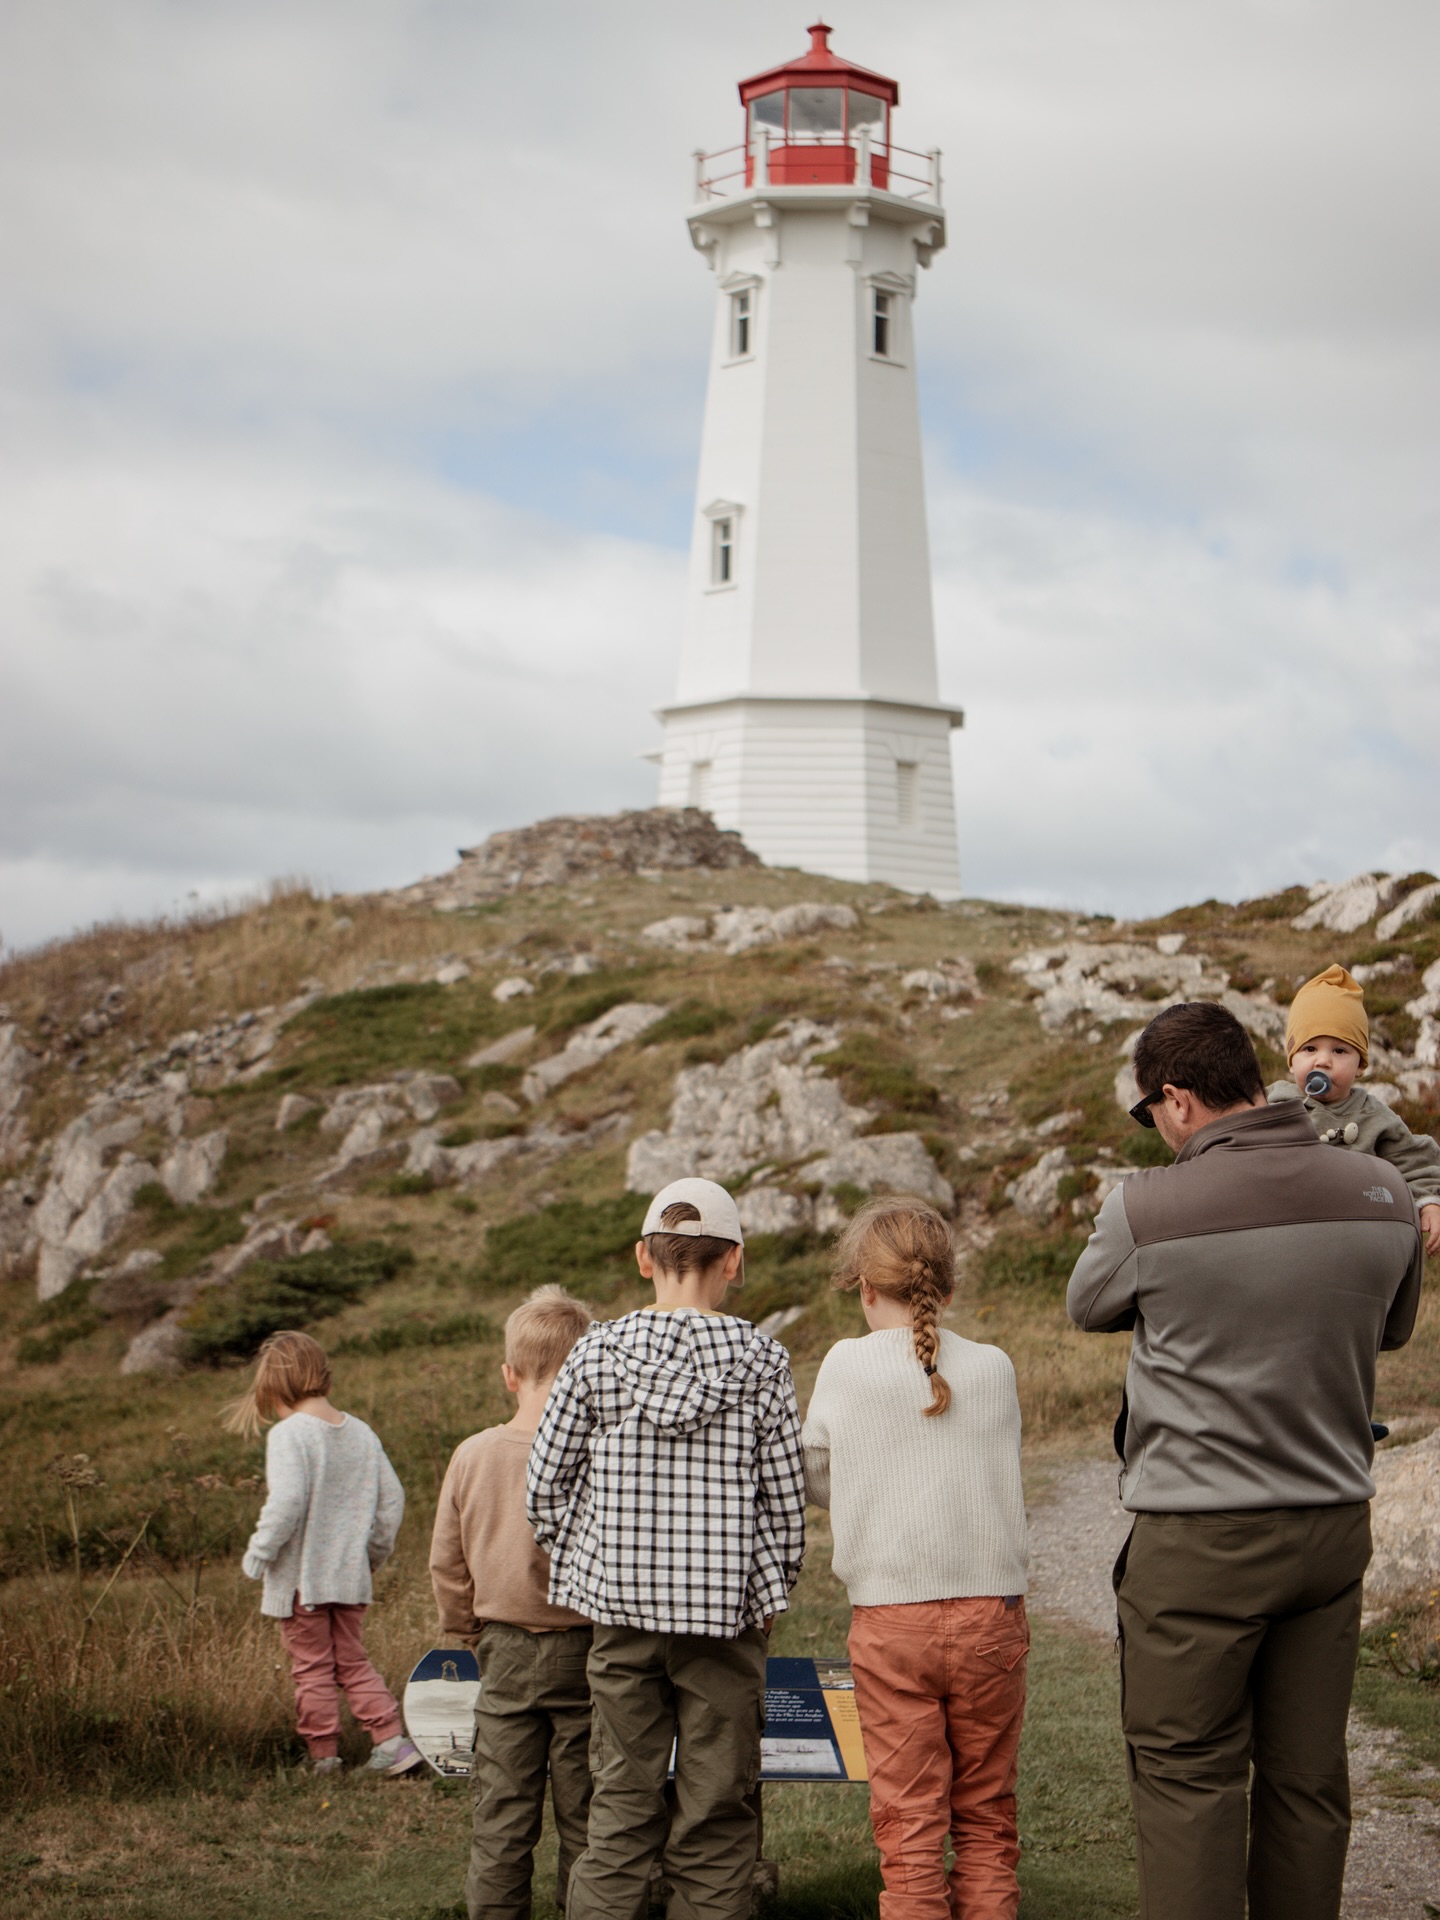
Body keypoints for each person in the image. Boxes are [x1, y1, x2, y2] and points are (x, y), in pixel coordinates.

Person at [1068, 1000, 1423, 1920]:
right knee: (1308, 1779)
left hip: (1199, 1542)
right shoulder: (1381, 1192)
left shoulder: (1144, 1207)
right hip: (1332, 1530)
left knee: (1189, 1775)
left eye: (1151, 1115)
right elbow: (1392, 1329)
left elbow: (1088, 1305)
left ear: (1176, 1099)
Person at [526, 1177, 807, 1920]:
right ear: (735, 1262)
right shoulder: (763, 1363)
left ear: (644, 1258)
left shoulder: (594, 1356)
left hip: (619, 1619)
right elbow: (784, 1503)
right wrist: (770, 1590)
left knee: (618, 1807)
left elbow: (546, 1488)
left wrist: (589, 1569)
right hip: (725, 1624)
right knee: (717, 1815)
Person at [802, 1197, 1029, 1920]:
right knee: (988, 1818)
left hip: (892, 1622)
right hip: (991, 1615)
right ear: (948, 1288)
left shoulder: (843, 1365)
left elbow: (811, 1473)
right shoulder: (994, 1367)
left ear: (865, 1289)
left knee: (909, 1828)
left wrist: (866, 1493)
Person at [430, 1285, 596, 1920]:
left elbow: (447, 1558)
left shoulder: (472, 1455)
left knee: (502, 1813)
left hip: (501, 1649)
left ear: (509, 1375)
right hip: (587, 1648)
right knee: (588, 1814)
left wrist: (462, 1627)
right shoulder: (594, 1454)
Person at [225, 1329, 421, 1776]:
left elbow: (288, 1501)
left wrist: (259, 1552)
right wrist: (369, 1556)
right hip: (350, 1579)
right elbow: (392, 1501)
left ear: (276, 1385)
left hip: (303, 1585)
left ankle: (324, 1758)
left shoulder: (290, 1434)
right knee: (352, 1660)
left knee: (311, 1669)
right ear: (324, 1376)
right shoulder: (361, 1433)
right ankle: (391, 1742)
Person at [1267, 962, 1440, 1254]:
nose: (1322, 1060)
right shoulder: (1272, 1102)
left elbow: (1415, 1159)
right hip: (1285, 1230)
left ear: (1360, 1065)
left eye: (1339, 1050)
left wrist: (1430, 1203)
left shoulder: (1373, 1115)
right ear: (1291, 1058)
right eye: (1310, 1049)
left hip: (1353, 1239)